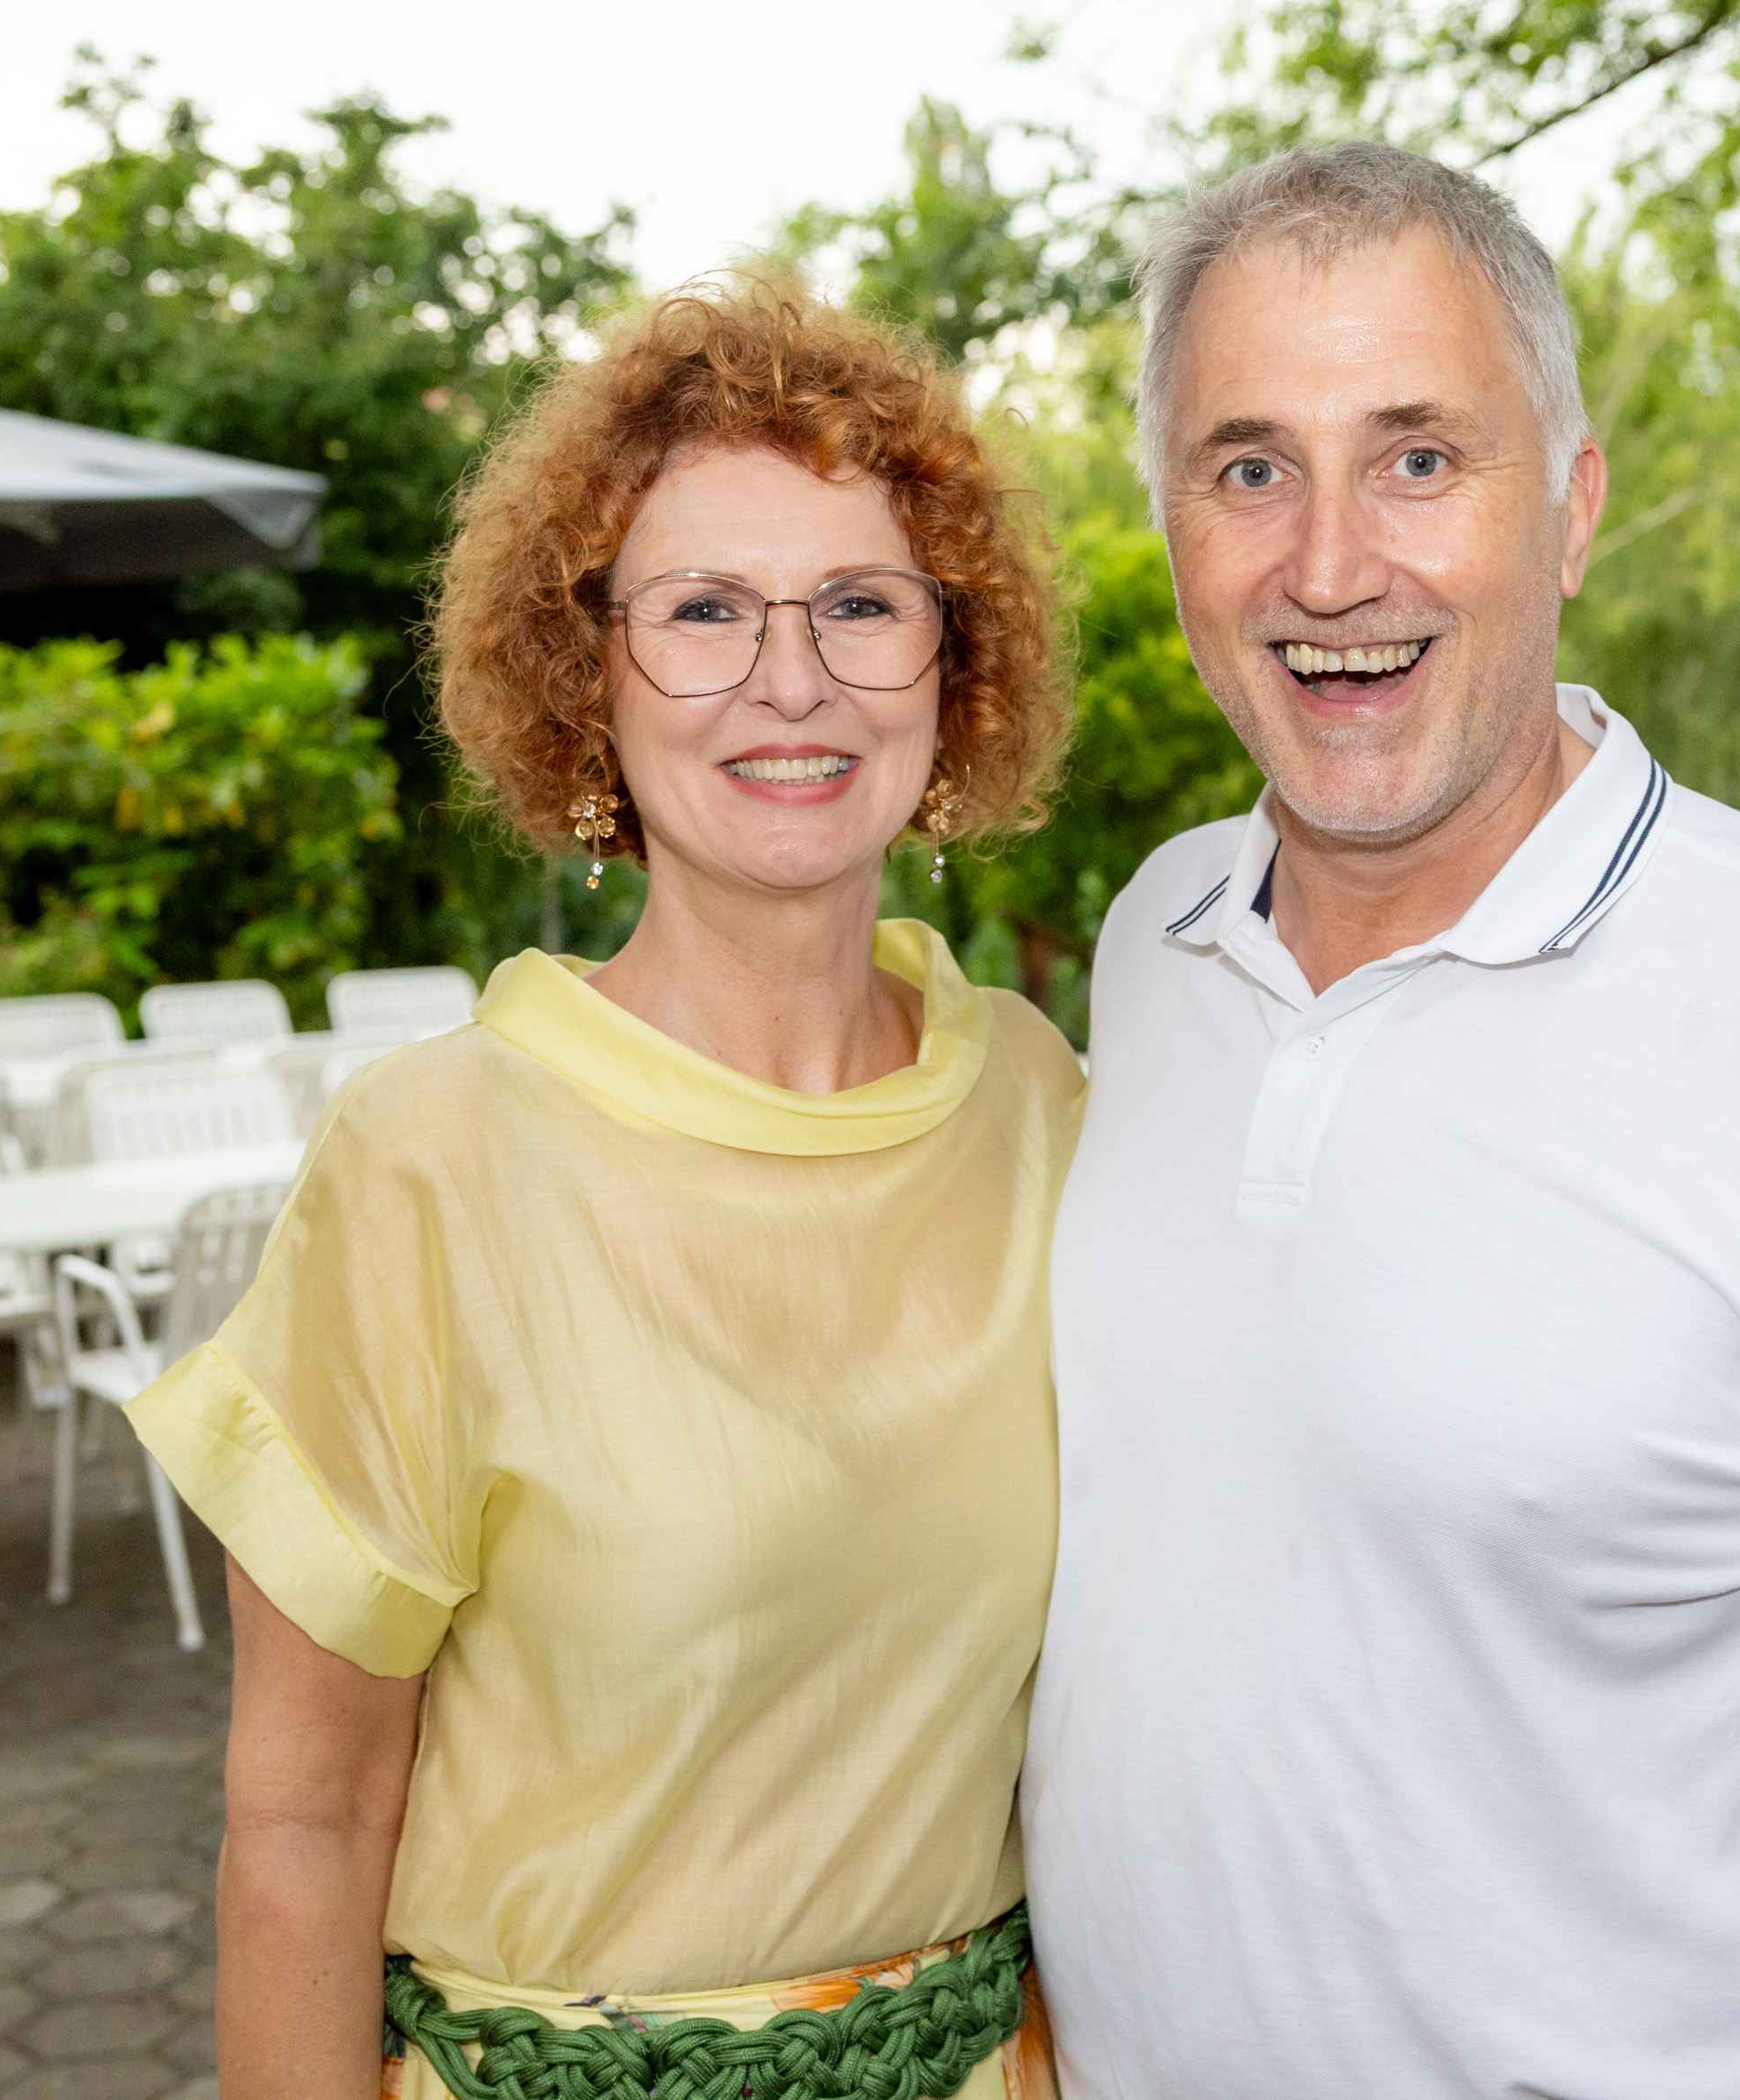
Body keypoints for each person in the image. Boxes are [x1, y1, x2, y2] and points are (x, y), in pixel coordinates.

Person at [1023, 143, 1740, 2100]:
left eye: (1417, 458)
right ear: (1169, 528)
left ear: (1568, 511)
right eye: (1249, 467)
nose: (1328, 565)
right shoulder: (1158, 939)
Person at [126, 280, 1080, 2100]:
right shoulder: (431, 1162)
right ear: (587, 677)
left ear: (953, 669)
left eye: (861, 603)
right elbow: (305, 1826)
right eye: (704, 608)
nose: (790, 679)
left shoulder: (1043, 1107)